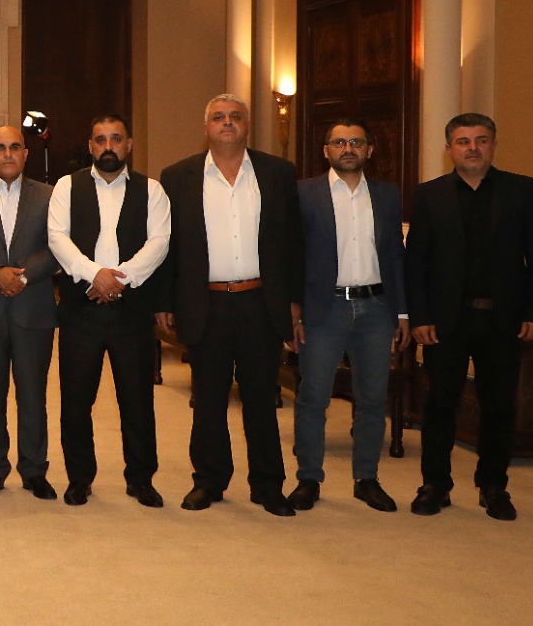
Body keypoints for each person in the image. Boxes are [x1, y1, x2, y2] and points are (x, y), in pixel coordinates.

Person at [156, 93, 302, 517]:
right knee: (208, 399)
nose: (227, 123)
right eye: (218, 117)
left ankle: (268, 486)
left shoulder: (277, 173)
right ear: (206, 128)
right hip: (206, 303)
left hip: (261, 302)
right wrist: (165, 300)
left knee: (261, 399)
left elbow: (293, 242)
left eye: (235, 117)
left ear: (247, 125)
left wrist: (294, 300)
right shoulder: (178, 176)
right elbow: (167, 245)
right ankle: (209, 481)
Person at [406, 113, 533, 521]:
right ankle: (435, 484)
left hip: (504, 321)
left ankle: (493, 487)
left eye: (481, 140)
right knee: (440, 404)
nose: (473, 148)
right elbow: (416, 262)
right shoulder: (429, 195)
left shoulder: (523, 190)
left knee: (499, 406)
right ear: (449, 148)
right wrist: (419, 316)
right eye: (463, 141)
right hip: (445, 322)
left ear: (493, 145)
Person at [48, 115, 170, 507]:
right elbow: (57, 238)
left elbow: (159, 242)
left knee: (137, 400)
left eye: (116, 139)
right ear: (90, 146)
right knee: (76, 401)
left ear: (129, 144)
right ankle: (79, 478)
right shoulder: (67, 187)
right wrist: (95, 275)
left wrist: (120, 279)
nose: (108, 146)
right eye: (100, 139)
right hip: (80, 311)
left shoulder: (152, 190)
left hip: (132, 312)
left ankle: (141, 479)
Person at [289, 120, 409, 513]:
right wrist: (293, 308)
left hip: (377, 308)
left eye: (356, 142)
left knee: (372, 398)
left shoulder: (387, 194)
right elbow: (290, 254)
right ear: (326, 150)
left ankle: (366, 478)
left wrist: (402, 311)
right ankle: (309, 478)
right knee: (313, 397)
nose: (348, 148)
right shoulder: (304, 193)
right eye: (339, 142)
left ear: (369, 150)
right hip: (324, 308)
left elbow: (395, 255)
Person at [0, 126, 58, 502]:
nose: (7, 154)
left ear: (25, 153)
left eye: (14, 147)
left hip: (33, 309)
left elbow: (59, 245)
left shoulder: (49, 195)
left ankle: (34, 470)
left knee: (33, 395)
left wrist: (24, 275)